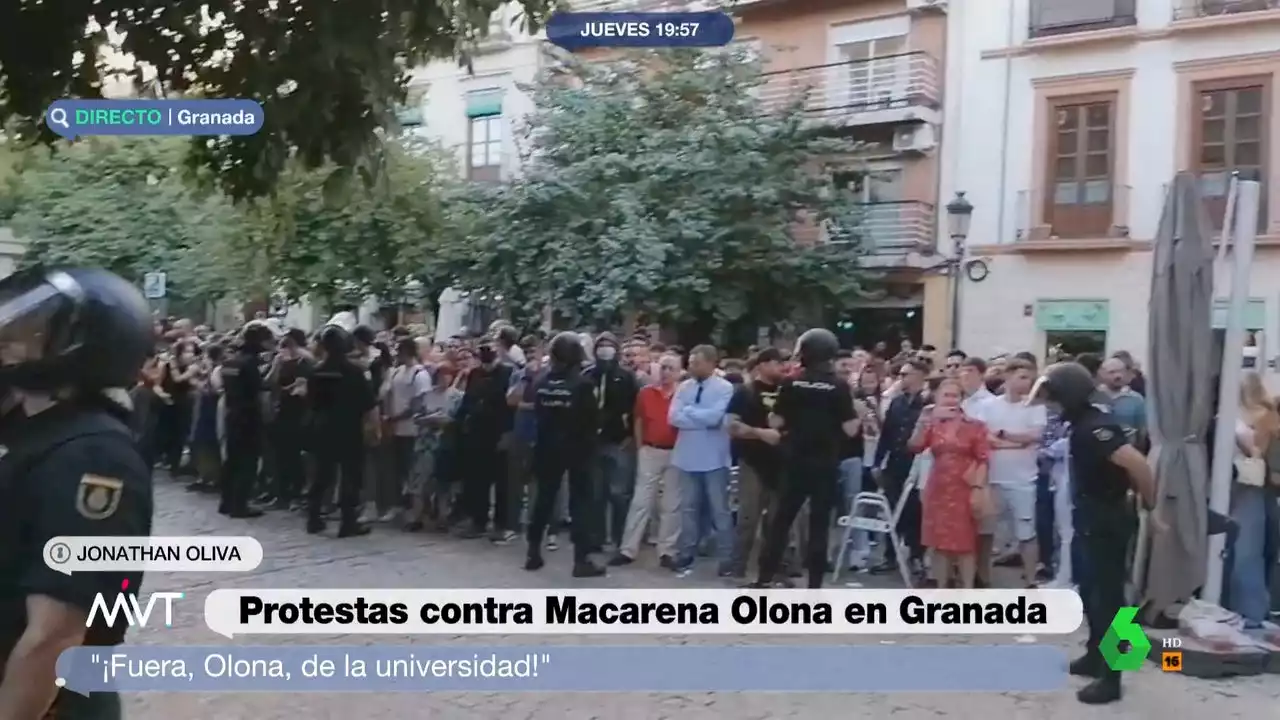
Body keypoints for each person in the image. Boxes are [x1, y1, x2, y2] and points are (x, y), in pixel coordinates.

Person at [0, 266, 154, 719]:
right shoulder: (36, 431)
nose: (8, 342)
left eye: (29, 333)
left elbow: (56, 635)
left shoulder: (94, 456)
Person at [1029, 362, 1156, 705]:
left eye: (1053, 397)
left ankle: (1113, 678)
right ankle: (1096, 654)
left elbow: (1138, 464)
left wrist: (1149, 503)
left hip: (1107, 518)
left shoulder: (1095, 426)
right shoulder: (1083, 423)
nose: (1050, 404)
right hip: (1091, 516)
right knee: (1091, 591)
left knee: (1112, 598)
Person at [753, 328, 858, 589]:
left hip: (795, 462)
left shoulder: (792, 383)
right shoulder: (839, 386)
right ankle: (814, 586)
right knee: (820, 525)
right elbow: (850, 429)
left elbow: (776, 421)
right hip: (825, 464)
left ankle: (765, 578)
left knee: (781, 522)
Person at [525, 332, 605, 577]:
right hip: (578, 449)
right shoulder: (582, 385)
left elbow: (537, 413)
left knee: (543, 501)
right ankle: (581, 560)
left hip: (546, 447)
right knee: (580, 502)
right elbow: (593, 420)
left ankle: (533, 552)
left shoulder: (541, 381)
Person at [908, 378, 991, 588]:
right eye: (946, 395)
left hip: (964, 486)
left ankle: (968, 591)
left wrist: (977, 489)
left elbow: (983, 459)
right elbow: (914, 447)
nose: (950, 399)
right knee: (939, 543)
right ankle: (942, 590)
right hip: (938, 487)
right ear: (937, 398)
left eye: (955, 395)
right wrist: (923, 420)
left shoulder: (975, 426)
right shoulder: (932, 424)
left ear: (962, 399)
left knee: (966, 543)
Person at [306, 324, 377, 538]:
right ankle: (348, 522)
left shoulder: (316, 371)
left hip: (323, 426)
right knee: (350, 477)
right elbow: (369, 405)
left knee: (321, 475)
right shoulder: (355, 372)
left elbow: (311, 402)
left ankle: (314, 518)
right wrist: (373, 430)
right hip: (348, 428)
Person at [219, 322, 273, 518]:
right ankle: (240, 505)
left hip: (231, 412)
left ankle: (226, 501)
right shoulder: (250, 363)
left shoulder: (230, 361)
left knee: (232, 460)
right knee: (248, 461)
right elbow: (258, 390)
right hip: (248, 416)